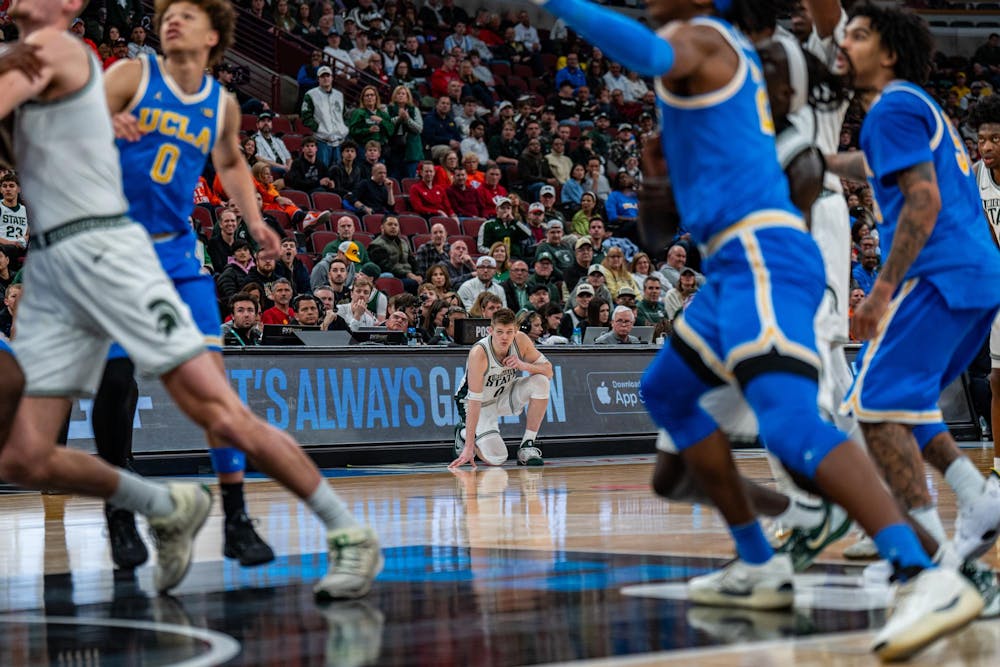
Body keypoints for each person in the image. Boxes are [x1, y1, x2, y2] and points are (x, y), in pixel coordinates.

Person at [536, 0, 982, 660]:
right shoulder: (707, 84)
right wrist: (656, 183)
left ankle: (925, 573)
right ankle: (758, 562)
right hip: (728, 266)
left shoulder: (702, 39)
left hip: (764, 257)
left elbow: (648, 52)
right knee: (666, 392)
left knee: (792, 424)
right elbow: (658, 234)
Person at [91, 0, 381, 594]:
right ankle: (120, 512)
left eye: (187, 14)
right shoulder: (130, 76)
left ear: (214, 35)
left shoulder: (219, 104)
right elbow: (73, 129)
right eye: (167, 13)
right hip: (117, 254)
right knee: (115, 383)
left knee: (218, 395)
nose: (172, 19)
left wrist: (255, 221)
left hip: (178, 258)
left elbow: (230, 163)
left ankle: (236, 516)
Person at [828, 0, 1000, 579]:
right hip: (977, 276)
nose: (844, 43)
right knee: (906, 401)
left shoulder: (890, 108)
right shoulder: (913, 105)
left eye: (858, 35)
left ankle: (925, 557)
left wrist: (880, 292)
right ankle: (976, 499)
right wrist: (825, 162)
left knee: (874, 407)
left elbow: (922, 202)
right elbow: (877, 163)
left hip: (938, 274)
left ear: (889, 53)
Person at [449, 308, 552, 468]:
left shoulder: (521, 341)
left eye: (509, 332)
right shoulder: (479, 353)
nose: (504, 337)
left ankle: (527, 445)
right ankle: (463, 433)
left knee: (541, 381)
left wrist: (523, 365)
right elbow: (474, 400)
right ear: (490, 331)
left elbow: (548, 371)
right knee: (497, 458)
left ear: (515, 331)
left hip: (503, 394)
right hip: (477, 403)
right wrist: (469, 447)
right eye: (500, 332)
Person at [969, 90, 1000, 473]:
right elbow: (987, 234)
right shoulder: (976, 176)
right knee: (997, 379)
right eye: (982, 139)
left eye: (995, 139)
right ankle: (998, 468)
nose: (987, 146)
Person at [301, 65, 348, 168]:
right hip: (322, 141)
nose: (325, 78)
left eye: (328, 76)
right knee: (323, 170)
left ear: (332, 78)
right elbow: (305, 117)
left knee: (339, 171)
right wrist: (318, 128)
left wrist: (344, 127)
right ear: (318, 79)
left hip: (340, 140)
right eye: (322, 76)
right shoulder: (310, 95)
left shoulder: (339, 95)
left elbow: (344, 115)